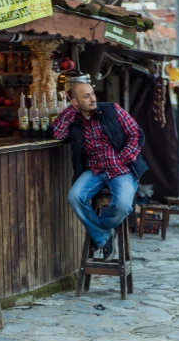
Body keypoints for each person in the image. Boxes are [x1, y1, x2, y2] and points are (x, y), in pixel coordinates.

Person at [52, 80, 145, 262]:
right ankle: (104, 238)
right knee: (74, 197)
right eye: (86, 96)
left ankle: (99, 234)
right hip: (94, 169)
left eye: (93, 94)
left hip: (121, 169)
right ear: (76, 102)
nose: (93, 98)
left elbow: (136, 134)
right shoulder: (75, 121)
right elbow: (57, 134)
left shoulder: (112, 109)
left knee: (123, 206)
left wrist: (123, 158)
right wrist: (71, 110)